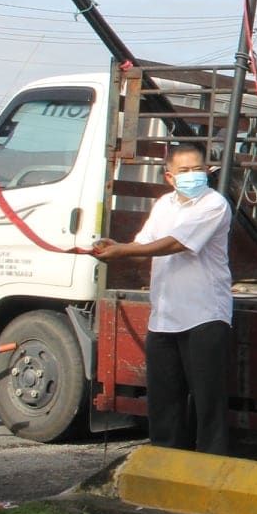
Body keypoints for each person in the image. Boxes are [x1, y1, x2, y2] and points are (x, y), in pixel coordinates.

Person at [93, 142, 233, 454]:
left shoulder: (214, 204)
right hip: (165, 317)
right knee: (164, 398)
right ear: (169, 177)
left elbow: (174, 244)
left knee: (208, 401)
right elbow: (144, 243)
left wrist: (124, 251)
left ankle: (211, 465)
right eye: (185, 171)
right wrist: (114, 247)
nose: (194, 176)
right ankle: (165, 460)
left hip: (205, 315)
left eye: (199, 169)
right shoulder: (164, 205)